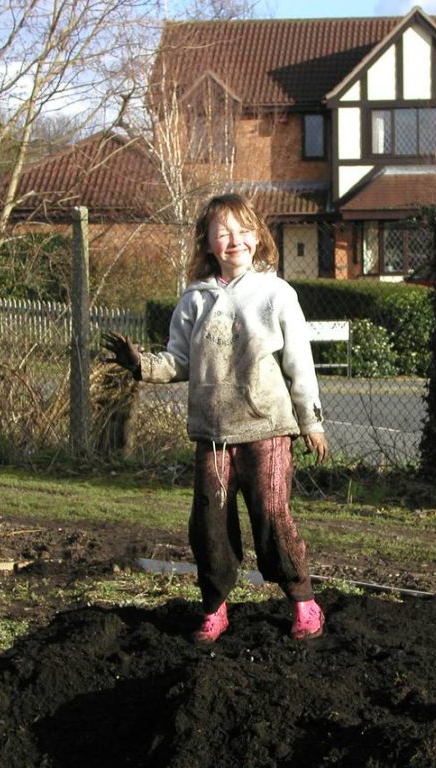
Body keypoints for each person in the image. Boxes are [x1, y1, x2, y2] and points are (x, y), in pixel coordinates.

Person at [103, 192, 329, 643]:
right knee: (209, 522)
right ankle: (215, 608)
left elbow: (300, 365)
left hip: (267, 428)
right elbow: (179, 361)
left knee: (271, 515)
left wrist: (312, 422)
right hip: (213, 434)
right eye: (222, 232)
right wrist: (141, 365)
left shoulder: (277, 294)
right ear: (206, 243)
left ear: (257, 236)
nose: (234, 240)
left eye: (243, 230)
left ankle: (304, 603)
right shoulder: (194, 300)